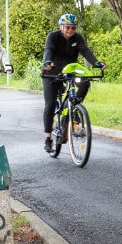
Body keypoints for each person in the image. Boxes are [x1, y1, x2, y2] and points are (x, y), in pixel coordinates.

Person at [42, 13, 104, 152]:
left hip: (70, 70)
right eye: (67, 27)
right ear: (61, 26)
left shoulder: (78, 38)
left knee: (84, 83)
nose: (70, 30)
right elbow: (49, 50)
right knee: (50, 104)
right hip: (52, 72)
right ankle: (47, 138)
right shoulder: (53, 36)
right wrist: (48, 62)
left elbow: (85, 51)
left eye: (73, 28)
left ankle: (73, 110)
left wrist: (96, 63)